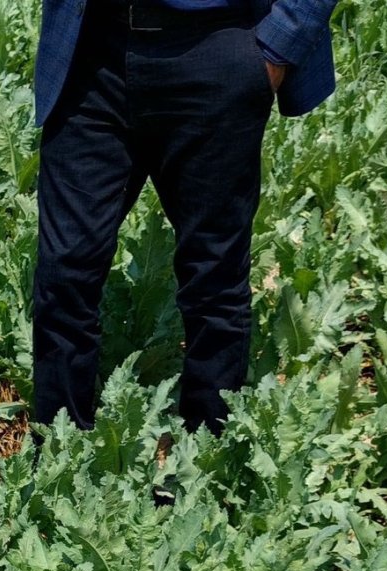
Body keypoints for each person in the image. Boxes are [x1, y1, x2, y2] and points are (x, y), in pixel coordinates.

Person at [32, 0, 338, 433]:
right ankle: (57, 456)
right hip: (91, 51)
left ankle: (205, 464)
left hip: (219, 46)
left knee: (214, 277)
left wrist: (278, 46)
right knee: (64, 273)